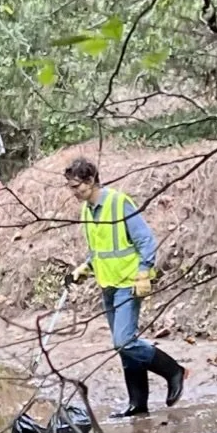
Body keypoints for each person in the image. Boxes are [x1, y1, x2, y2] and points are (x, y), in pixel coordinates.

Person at [64, 154, 186, 418]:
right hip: (107, 283)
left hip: (129, 282)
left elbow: (145, 240)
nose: (73, 192)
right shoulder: (87, 210)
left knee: (123, 342)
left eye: (77, 186)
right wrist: (85, 268)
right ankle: (138, 404)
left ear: (91, 180)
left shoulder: (119, 203)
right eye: (70, 187)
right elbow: (100, 250)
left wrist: (144, 273)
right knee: (125, 346)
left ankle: (174, 371)